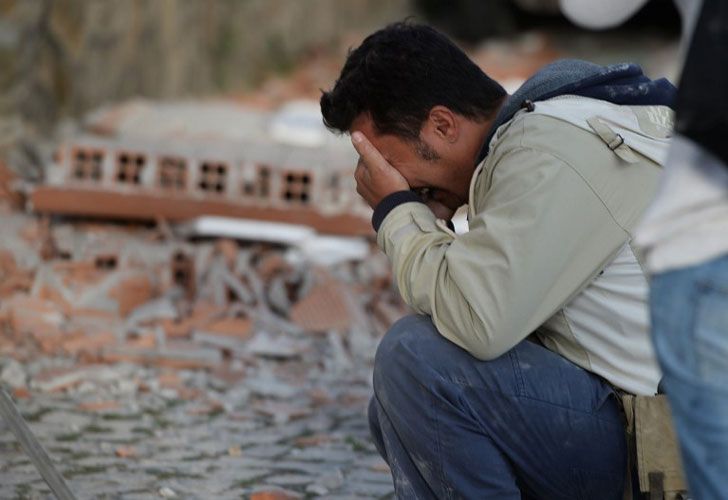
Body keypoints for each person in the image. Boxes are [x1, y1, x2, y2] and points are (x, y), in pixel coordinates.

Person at [320, 22, 675, 498]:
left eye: (389, 163)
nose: (393, 181)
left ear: (442, 125)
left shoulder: (547, 152)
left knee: (415, 366)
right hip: (666, 422)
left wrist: (396, 212)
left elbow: (478, 321)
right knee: (398, 405)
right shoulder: (564, 126)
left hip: (678, 445)